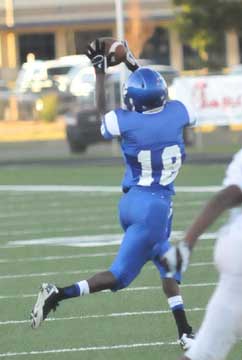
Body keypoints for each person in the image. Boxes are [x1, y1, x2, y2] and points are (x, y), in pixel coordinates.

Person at [30, 39, 195, 349]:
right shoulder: (179, 112)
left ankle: (184, 330)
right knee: (118, 277)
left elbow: (103, 113)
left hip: (132, 202)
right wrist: (132, 62)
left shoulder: (127, 120)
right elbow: (161, 96)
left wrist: (101, 73)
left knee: (167, 264)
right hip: (155, 208)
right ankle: (58, 292)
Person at [162, 148, 242, 360]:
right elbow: (231, 194)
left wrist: (187, 244)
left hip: (234, 250)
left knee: (203, 352)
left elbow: (226, 196)